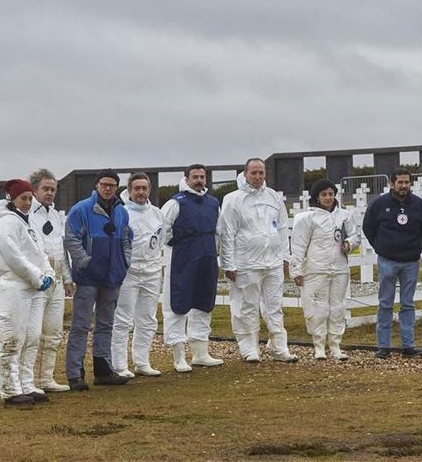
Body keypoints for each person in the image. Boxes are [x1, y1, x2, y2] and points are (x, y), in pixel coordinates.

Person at [218, 158, 298, 363]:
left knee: (274, 305)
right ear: (245, 174)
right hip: (245, 263)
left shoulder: (273, 197)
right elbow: (227, 233)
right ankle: (249, 347)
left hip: (273, 263)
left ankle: (279, 347)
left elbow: (281, 228)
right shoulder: (233, 199)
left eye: (261, 173)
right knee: (246, 306)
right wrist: (228, 264)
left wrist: (285, 257)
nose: (258, 177)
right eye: (253, 173)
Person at [0, 179, 55, 405]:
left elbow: (40, 252)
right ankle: (9, 389)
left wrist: (49, 274)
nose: (26, 203)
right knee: (12, 339)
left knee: (32, 337)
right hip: (12, 287)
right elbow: (15, 258)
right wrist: (37, 277)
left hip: (33, 288)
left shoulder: (28, 223)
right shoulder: (3, 226)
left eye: (28, 198)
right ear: (12, 199)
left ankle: (26, 384)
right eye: (22, 198)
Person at [64, 169, 132, 390]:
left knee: (106, 325)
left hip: (112, 277)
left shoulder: (121, 211)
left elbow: (126, 238)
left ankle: (103, 370)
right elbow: (71, 238)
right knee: (80, 326)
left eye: (112, 185)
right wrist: (84, 261)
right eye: (104, 184)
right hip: (88, 278)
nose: (108, 188)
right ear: (96, 185)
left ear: (116, 187)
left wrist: (125, 262)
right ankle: (75, 374)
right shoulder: (81, 210)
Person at [362, 167, 422, 359]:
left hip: (410, 261)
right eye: (400, 182)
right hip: (387, 260)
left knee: (407, 304)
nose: (403, 186)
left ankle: (408, 345)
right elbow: (368, 227)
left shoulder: (419, 205)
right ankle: (383, 346)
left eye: (407, 182)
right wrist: (380, 247)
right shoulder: (379, 204)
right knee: (385, 303)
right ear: (391, 184)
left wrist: (415, 247)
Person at [161, 164, 223, 372]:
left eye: (202, 177)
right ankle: (179, 356)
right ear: (186, 179)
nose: (199, 180)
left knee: (204, 302)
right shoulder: (175, 203)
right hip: (182, 259)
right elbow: (163, 230)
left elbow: (219, 231)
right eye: (195, 177)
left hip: (206, 257)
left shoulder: (213, 203)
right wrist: (178, 244)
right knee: (178, 303)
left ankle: (200, 353)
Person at [290, 179, 361, 360]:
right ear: (317, 197)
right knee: (317, 308)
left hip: (339, 269)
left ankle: (335, 345)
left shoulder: (344, 216)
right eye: (324, 194)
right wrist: (296, 270)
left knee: (337, 307)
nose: (328, 198)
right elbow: (298, 245)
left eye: (331, 194)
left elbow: (355, 236)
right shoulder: (307, 218)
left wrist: (349, 244)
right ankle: (319, 345)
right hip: (316, 269)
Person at [111, 173, 165, 377]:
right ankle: (119, 365)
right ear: (129, 190)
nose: (141, 192)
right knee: (123, 319)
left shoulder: (158, 214)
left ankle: (142, 361)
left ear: (149, 190)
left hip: (151, 272)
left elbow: (160, 239)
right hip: (128, 273)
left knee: (148, 319)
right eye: (137, 188)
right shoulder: (121, 212)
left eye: (144, 188)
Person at [24, 169, 72, 394]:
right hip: (37, 282)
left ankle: (46, 378)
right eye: (45, 189)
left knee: (53, 332)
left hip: (58, 282)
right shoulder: (25, 215)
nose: (50, 193)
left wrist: (67, 278)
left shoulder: (55, 216)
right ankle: (26, 380)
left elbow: (62, 249)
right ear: (34, 190)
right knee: (31, 334)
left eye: (53, 189)